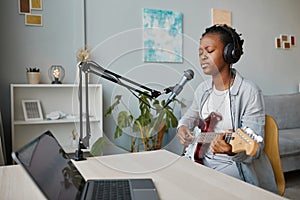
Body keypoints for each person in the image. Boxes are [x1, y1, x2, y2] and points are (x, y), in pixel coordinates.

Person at [177, 24, 278, 194]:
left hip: (232, 167)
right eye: (200, 52)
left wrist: (233, 150)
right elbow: (190, 116)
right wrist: (182, 126)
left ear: (229, 53)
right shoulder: (202, 89)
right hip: (197, 159)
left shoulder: (249, 91)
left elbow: (256, 147)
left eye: (209, 51)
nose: (202, 57)